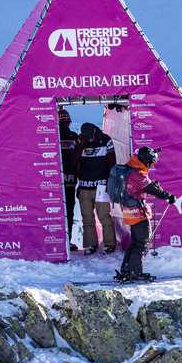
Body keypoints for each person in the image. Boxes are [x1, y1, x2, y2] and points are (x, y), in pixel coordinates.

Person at [114, 146, 178, 283]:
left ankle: (127, 269)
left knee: (135, 241)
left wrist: (154, 152)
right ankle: (134, 272)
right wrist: (169, 196)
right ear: (146, 161)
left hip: (129, 210)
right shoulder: (138, 174)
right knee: (142, 242)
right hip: (138, 211)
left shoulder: (130, 167)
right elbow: (152, 188)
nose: (152, 165)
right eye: (152, 163)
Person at [74, 122, 118, 254]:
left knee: (104, 216)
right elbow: (75, 162)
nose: (88, 138)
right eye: (85, 135)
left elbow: (112, 163)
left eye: (89, 135)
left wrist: (108, 183)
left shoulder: (106, 140)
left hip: (101, 186)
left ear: (94, 131)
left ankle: (109, 244)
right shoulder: (81, 141)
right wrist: (80, 145)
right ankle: (90, 244)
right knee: (87, 217)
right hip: (84, 186)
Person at [58, 108, 80, 248]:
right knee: (69, 211)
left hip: (52, 180)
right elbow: (79, 158)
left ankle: (58, 241)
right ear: (68, 122)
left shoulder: (50, 135)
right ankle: (68, 240)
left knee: (55, 210)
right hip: (70, 180)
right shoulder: (74, 137)